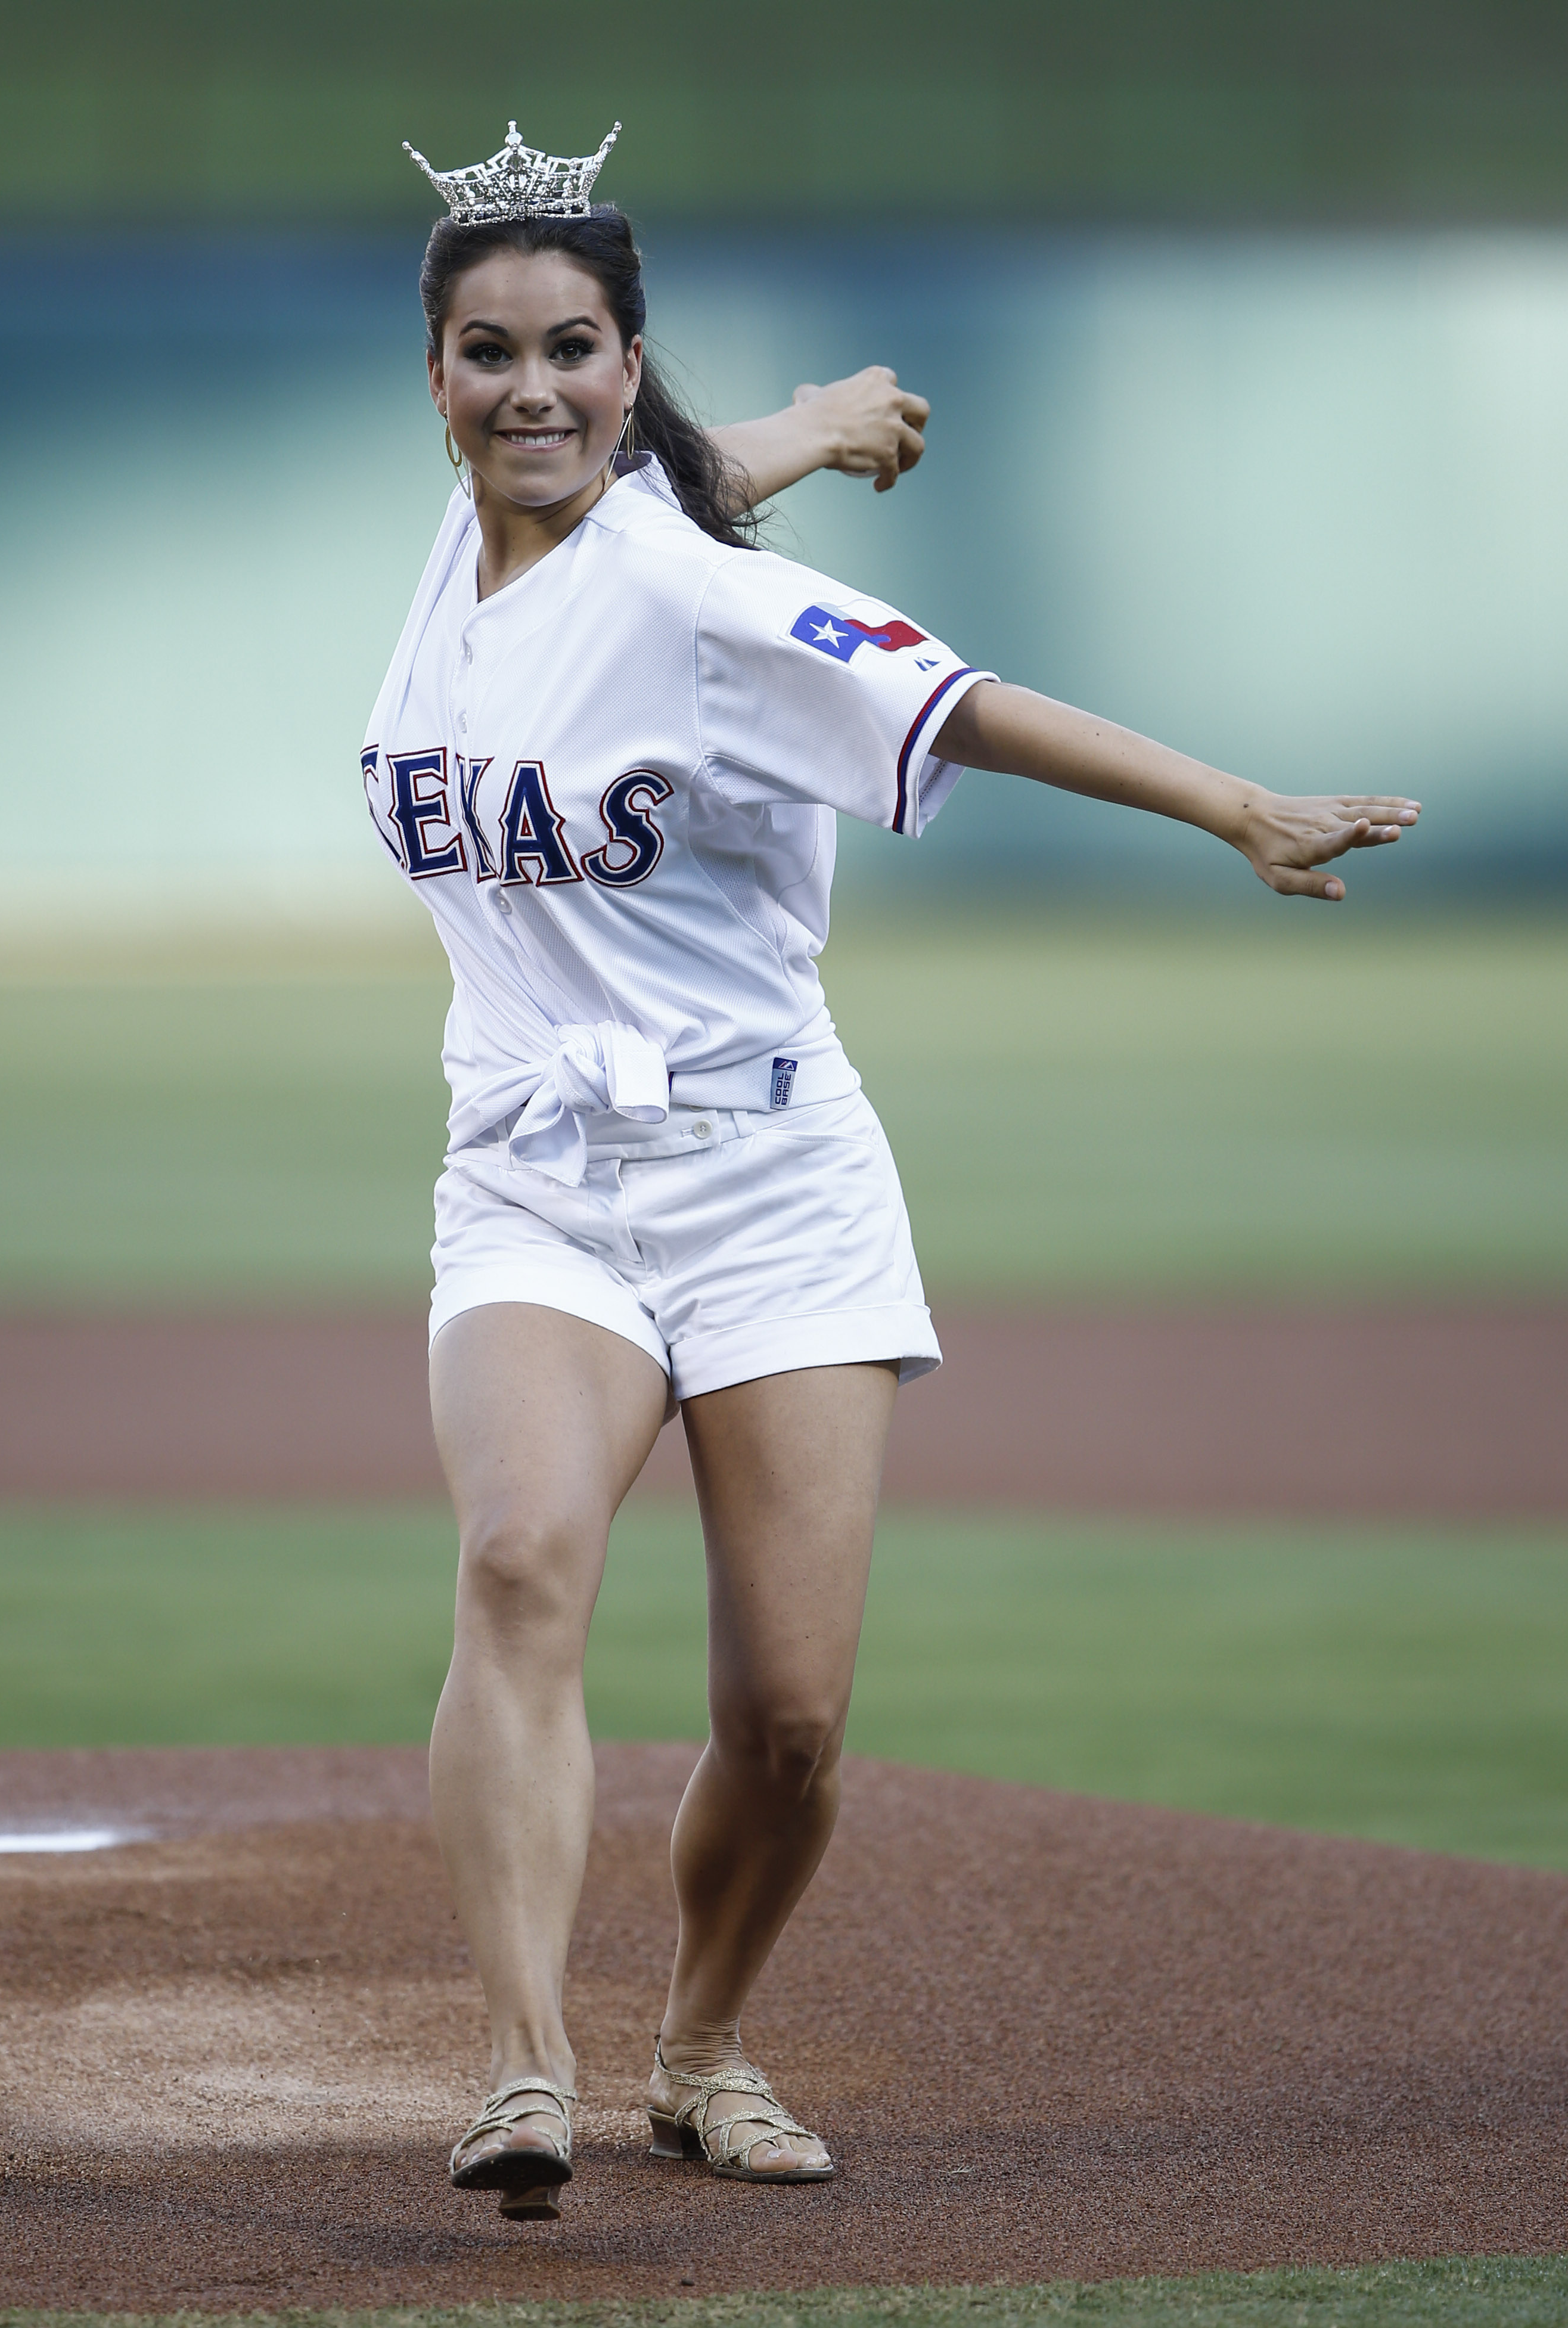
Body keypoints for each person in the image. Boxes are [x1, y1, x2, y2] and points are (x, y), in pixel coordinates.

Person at [370, 122, 1420, 2223]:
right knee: (514, 1558)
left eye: (572, 351)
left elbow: (961, 699)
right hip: (532, 1171)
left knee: (789, 1717)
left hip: (771, 1180)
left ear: (622, 350)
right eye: (487, 354)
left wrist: (1233, 806)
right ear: (438, 380)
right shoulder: (497, 542)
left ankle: (696, 2045)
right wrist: (828, 415)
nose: (529, 390)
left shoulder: (705, 591)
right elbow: (681, 462)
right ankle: (521, 2065)